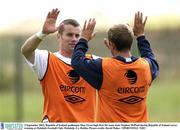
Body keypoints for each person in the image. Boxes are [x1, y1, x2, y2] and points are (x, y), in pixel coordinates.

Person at [71, 12, 159, 122]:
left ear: (111, 44)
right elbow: (150, 57)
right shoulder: (146, 67)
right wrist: (141, 36)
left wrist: (83, 38)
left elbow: (76, 61)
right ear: (130, 43)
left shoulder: (103, 67)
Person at [21, 8, 98, 122]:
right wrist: (43, 33)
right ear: (59, 36)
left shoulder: (93, 62)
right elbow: (26, 50)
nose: (74, 39)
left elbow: (119, 67)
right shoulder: (47, 60)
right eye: (69, 35)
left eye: (78, 36)